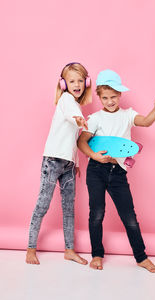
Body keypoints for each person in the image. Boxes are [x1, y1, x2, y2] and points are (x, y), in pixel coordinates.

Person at [77, 69, 155, 272]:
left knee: (129, 217)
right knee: (97, 214)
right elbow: (82, 141)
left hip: (117, 172)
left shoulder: (128, 115)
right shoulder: (95, 118)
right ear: (99, 97)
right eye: (106, 97)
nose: (110, 101)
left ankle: (141, 257)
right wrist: (95, 156)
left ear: (120, 95)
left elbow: (145, 122)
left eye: (114, 96)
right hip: (96, 170)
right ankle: (97, 254)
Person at [26, 62, 92, 265]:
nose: (77, 84)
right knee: (42, 204)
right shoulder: (66, 100)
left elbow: (72, 139)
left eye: (81, 80)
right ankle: (30, 248)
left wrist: (77, 162)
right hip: (53, 160)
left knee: (68, 207)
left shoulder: (76, 103)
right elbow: (74, 117)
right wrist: (80, 120)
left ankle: (69, 250)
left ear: (86, 83)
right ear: (63, 84)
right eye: (72, 81)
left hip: (69, 164)